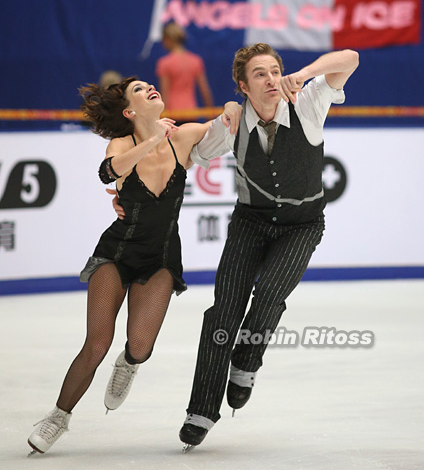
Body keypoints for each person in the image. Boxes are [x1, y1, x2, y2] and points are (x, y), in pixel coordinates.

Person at [27, 77, 242, 455]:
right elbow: (107, 173)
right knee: (96, 343)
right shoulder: (124, 144)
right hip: (117, 253)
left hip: (160, 257)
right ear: (129, 111)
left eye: (149, 86)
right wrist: (151, 141)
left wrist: (230, 109)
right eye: (140, 90)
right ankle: (58, 417)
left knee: (140, 346)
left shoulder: (184, 136)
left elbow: (224, 125)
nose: (151, 89)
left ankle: (128, 363)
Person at [178, 43, 359, 449]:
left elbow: (350, 58)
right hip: (250, 224)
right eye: (259, 74)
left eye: (275, 70)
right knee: (223, 311)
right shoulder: (232, 122)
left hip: (302, 225)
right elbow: (187, 155)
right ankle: (201, 411)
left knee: (271, 293)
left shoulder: (307, 101)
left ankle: (246, 360)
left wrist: (306, 72)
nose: (271, 78)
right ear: (242, 85)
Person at [156, 23, 214, 114]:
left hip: (172, 112)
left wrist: (163, 115)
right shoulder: (195, 61)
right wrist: (211, 114)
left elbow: (165, 93)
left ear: (168, 39)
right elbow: (204, 91)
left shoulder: (164, 63)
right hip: (190, 111)